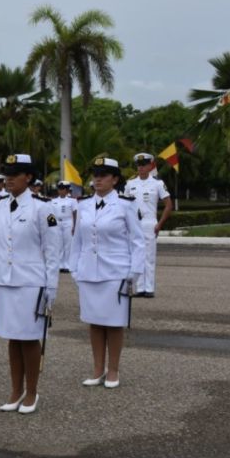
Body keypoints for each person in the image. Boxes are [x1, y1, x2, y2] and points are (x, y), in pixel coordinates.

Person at [0, 155, 62, 415]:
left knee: (30, 339)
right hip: (4, 280)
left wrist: (50, 288)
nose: (8, 177)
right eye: (7, 172)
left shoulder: (42, 208)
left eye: (15, 173)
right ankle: (15, 390)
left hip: (31, 282)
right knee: (12, 338)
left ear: (28, 177)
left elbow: (52, 251)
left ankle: (31, 391)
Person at [70, 157, 144, 389]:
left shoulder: (126, 204)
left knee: (113, 323)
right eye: (95, 174)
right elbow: (77, 241)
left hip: (115, 271)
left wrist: (134, 273)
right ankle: (97, 369)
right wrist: (74, 268)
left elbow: (138, 241)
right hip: (89, 271)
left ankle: (113, 369)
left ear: (115, 179)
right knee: (94, 322)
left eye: (103, 175)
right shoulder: (83, 205)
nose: (98, 179)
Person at [124, 152, 173, 297]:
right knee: (135, 256)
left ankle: (149, 288)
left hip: (149, 223)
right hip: (133, 224)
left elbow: (169, 205)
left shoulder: (157, 183)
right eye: (138, 165)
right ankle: (139, 288)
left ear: (150, 165)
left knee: (149, 257)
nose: (141, 168)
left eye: (144, 165)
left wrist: (159, 224)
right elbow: (123, 205)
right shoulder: (130, 184)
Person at [51, 181, 78, 273]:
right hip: (56, 222)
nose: (60, 191)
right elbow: (50, 214)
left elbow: (75, 214)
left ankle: (68, 265)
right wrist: (52, 226)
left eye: (62, 189)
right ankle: (60, 265)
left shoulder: (72, 201)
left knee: (68, 244)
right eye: (59, 189)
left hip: (68, 222)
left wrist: (75, 226)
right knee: (58, 244)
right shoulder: (53, 201)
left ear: (66, 190)